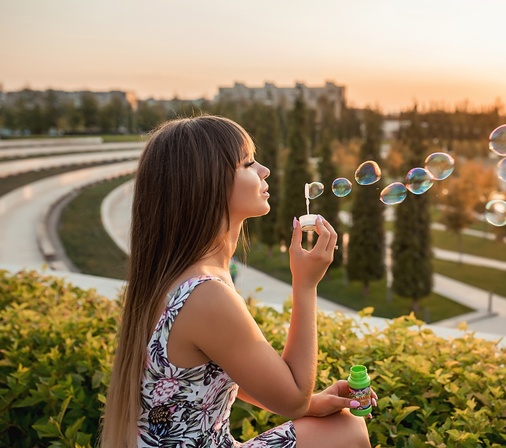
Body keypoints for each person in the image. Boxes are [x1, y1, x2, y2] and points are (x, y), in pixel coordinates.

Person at [101, 115, 373, 447]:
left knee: (341, 424)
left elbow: (218, 370)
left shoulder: (176, 275)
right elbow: (291, 401)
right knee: (348, 431)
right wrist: (305, 285)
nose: (264, 170)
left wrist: (314, 403)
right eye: (248, 163)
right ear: (208, 185)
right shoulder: (206, 295)